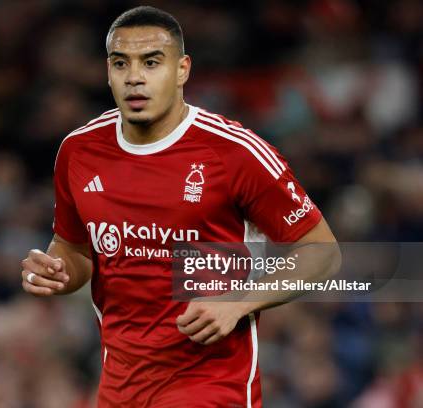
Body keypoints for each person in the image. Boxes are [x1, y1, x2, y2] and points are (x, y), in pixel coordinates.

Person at [21, 6, 340, 407]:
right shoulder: (78, 150)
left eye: (151, 62)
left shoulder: (234, 152)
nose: (134, 76)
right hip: (120, 387)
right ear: (108, 72)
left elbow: (322, 252)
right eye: (122, 63)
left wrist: (239, 302)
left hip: (211, 385)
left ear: (182, 69)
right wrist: (56, 271)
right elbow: (74, 249)